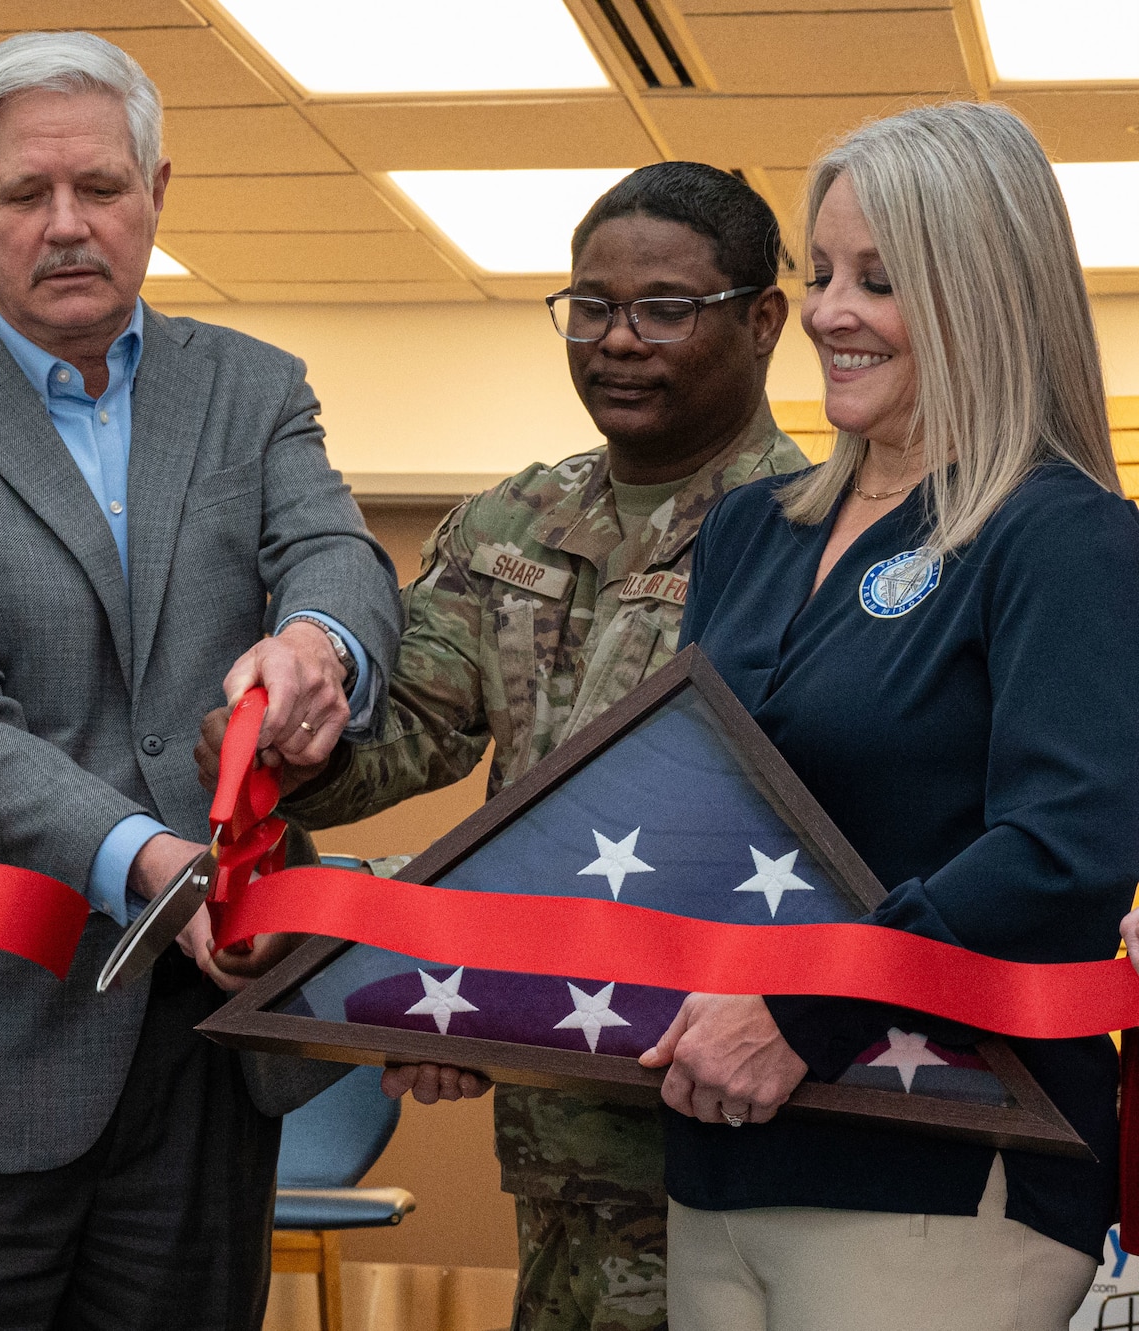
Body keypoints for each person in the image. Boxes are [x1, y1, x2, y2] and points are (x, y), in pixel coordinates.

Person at [0, 30, 401, 1330]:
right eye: (26, 195)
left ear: (158, 191)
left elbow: (335, 555)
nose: (68, 225)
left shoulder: (253, 389)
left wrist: (318, 645)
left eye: (102, 188)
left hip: (203, 1051)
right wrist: (157, 861)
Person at [211, 162, 806, 1331]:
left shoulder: (818, 533)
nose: (616, 340)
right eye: (588, 306)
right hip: (554, 1125)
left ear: (762, 320)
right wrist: (281, 735)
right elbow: (411, 737)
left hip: (744, 1121)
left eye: (664, 309)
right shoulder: (506, 524)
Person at [646, 101, 1139, 1330]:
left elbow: (1063, 851)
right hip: (721, 1145)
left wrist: (804, 1008)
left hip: (941, 1154)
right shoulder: (753, 530)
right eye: (818, 273)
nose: (824, 311)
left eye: (878, 278)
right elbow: (697, 813)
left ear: (981, 291)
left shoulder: (1059, 533)